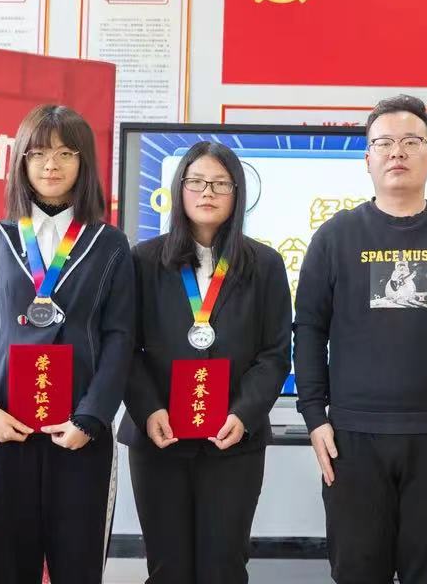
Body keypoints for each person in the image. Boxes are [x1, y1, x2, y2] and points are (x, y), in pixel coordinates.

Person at [294, 94, 427, 583]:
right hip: (351, 438)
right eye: (384, 142)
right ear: (366, 158)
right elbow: (308, 331)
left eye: (411, 141)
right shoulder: (334, 237)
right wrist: (314, 416)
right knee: (356, 571)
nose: (397, 152)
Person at [0, 104, 133, 583]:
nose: (50, 165)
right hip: (4, 431)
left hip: (79, 434)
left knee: (78, 567)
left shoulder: (109, 244)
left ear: (83, 162)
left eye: (65, 153)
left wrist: (92, 417)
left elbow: (120, 338)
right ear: (22, 161)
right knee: (5, 566)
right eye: (37, 154)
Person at [118, 141, 291, 584]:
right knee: (167, 568)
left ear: (237, 194)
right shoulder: (142, 260)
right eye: (196, 182)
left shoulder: (265, 264)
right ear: (179, 190)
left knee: (224, 566)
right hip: (160, 436)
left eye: (220, 184)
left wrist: (244, 413)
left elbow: (274, 353)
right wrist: (148, 410)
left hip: (232, 440)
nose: (207, 192)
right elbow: (124, 346)